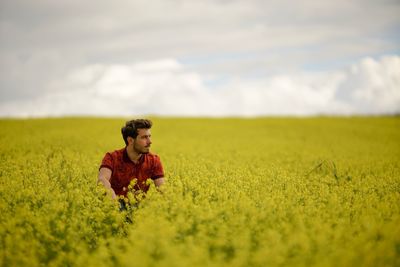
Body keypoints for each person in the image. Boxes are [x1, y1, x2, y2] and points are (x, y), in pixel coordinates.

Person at [98, 119, 165, 209]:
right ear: (130, 140)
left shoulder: (154, 160)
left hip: (140, 211)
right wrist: (114, 203)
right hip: (115, 208)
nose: (150, 141)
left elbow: (162, 190)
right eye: (144, 137)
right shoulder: (112, 157)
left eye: (149, 136)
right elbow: (102, 179)